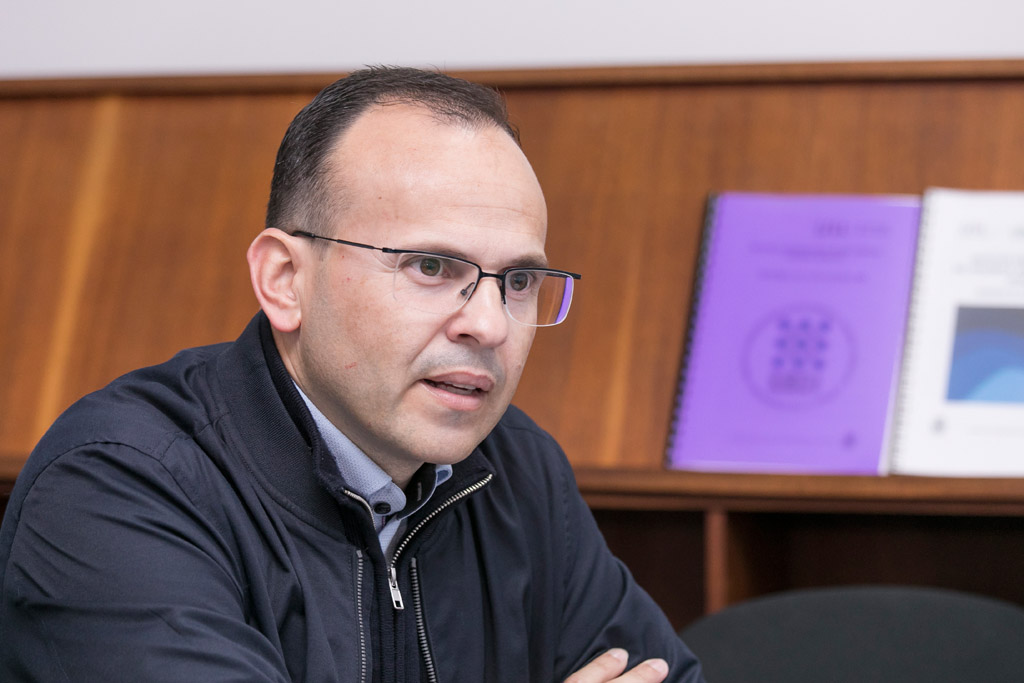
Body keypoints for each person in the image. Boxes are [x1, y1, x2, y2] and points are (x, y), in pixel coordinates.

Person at [0, 67, 704, 682]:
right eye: (432, 266)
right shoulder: (116, 483)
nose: (490, 325)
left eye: (517, 280)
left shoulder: (518, 469)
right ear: (285, 279)